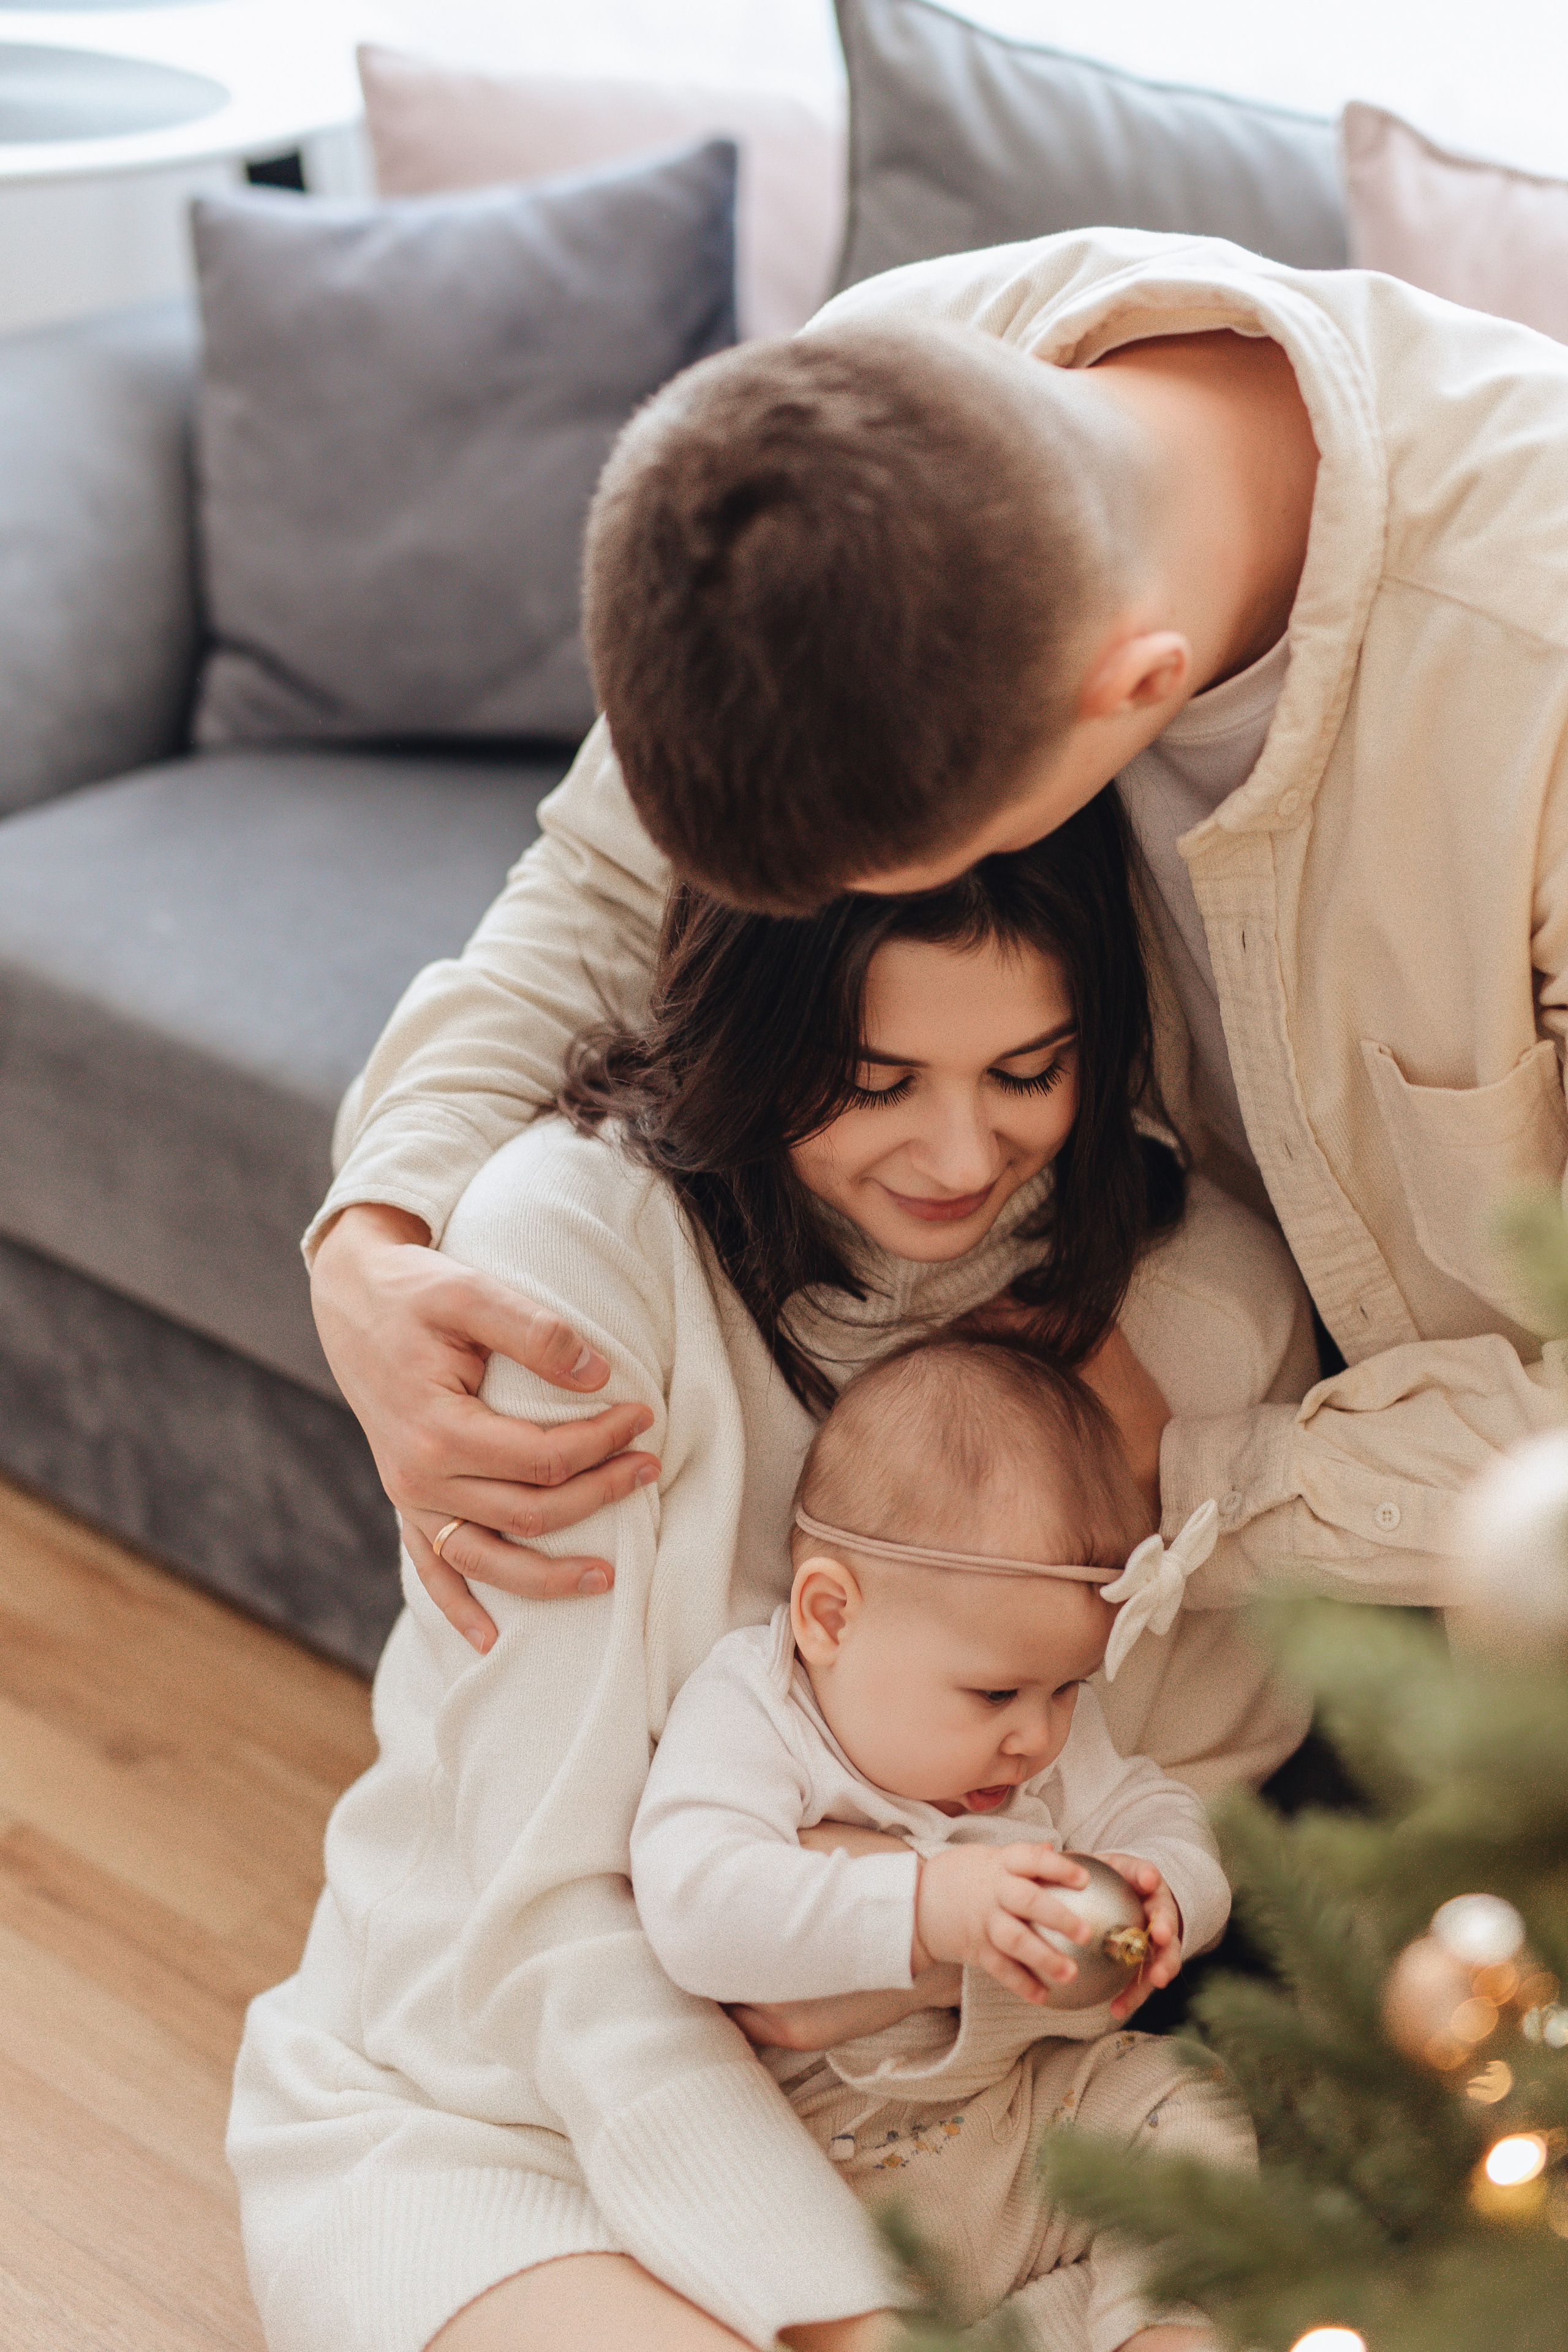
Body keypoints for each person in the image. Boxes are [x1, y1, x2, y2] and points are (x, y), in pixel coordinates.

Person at [306, 226, 1568, 1656]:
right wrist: (372, 1235)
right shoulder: (862, 424)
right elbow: (604, 886)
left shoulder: (1531, 669)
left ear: (1135, 687)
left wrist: (1201, 1478)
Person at [230, 817, 1313, 2352]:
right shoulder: (579, 1256)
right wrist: (851, 2326)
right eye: (874, 1083)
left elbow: (1149, 1857)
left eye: (1026, 1072)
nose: (958, 1158)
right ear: (755, 1024)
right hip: (528, 2098)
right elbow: (552, 1918)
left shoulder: (1201, 1310)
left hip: (977, 2129)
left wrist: (913, 1963)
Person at [631, 1335, 1251, 2352]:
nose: (1038, 1734)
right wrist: (928, 1904)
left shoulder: (1041, 1743)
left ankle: (1165, 2333)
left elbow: (1159, 1814)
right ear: (830, 1616)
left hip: (1021, 2135)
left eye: (1068, 1690)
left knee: (1179, 2098)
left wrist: (1170, 1890)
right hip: (823, 2163)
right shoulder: (763, 1709)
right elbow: (694, 1904)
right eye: (997, 1692)